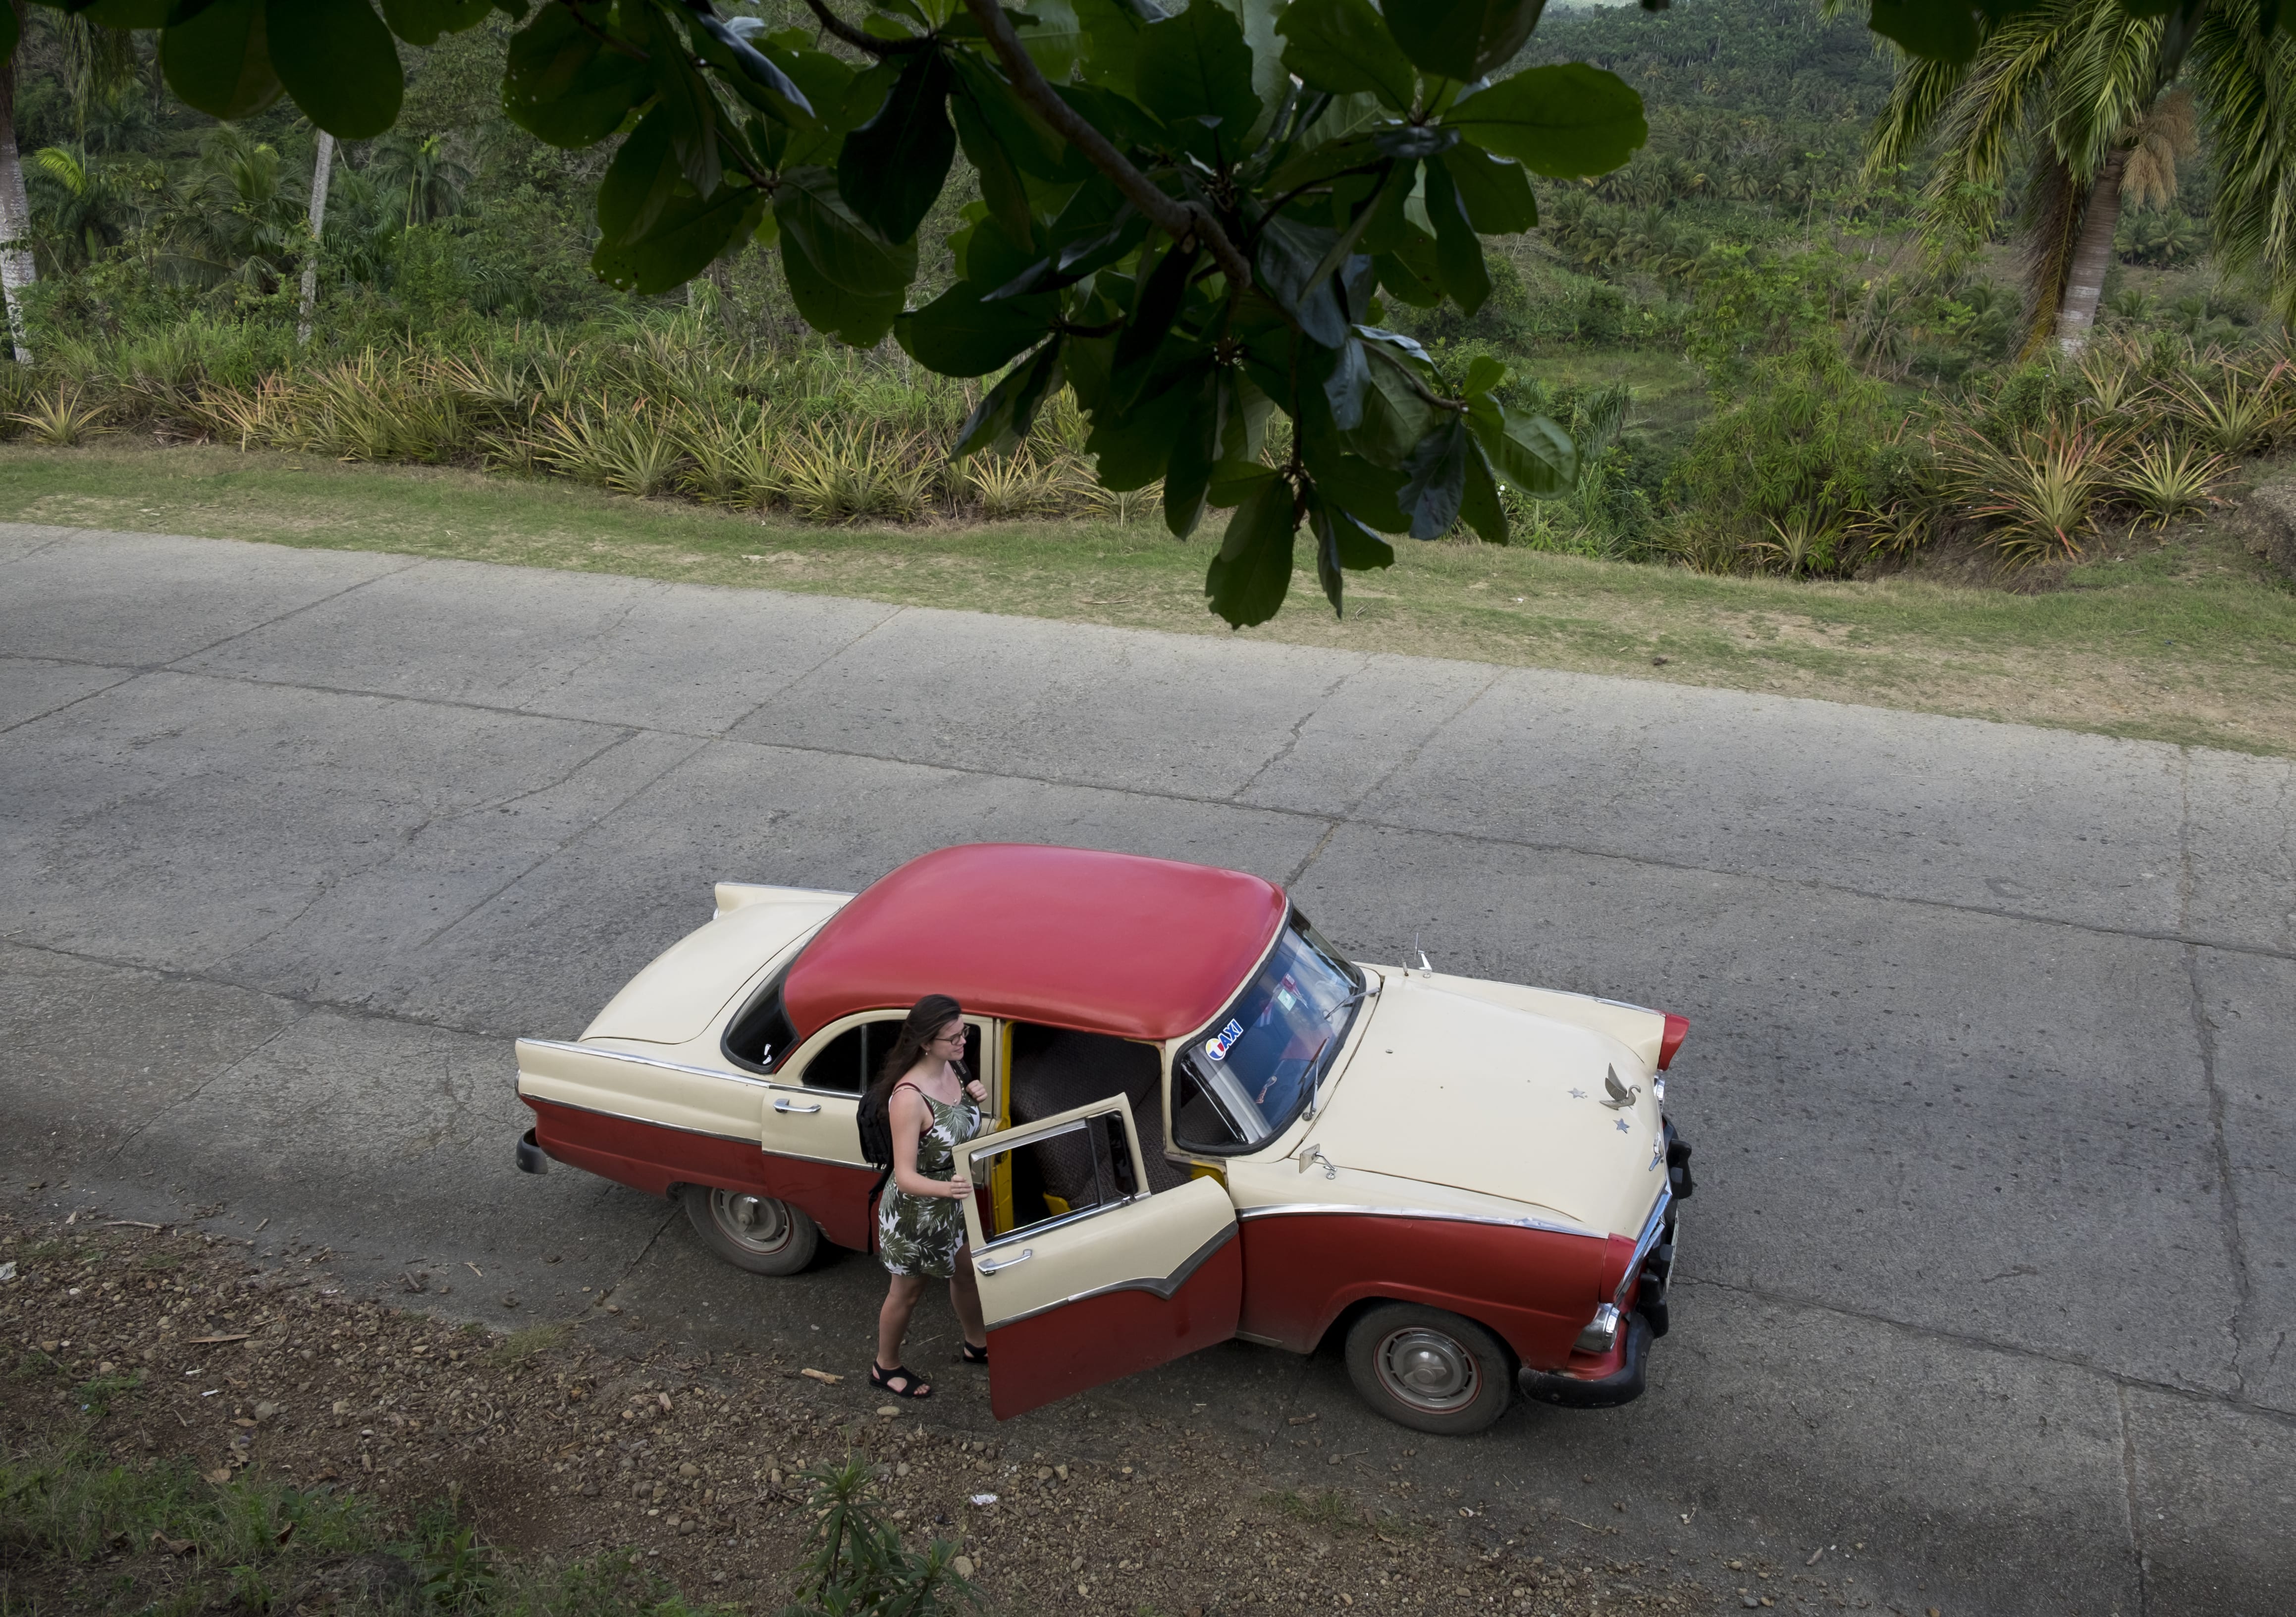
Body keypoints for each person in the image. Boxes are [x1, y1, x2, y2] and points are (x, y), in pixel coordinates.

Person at [866, 994, 990, 1399]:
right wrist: (949, 1188)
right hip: (915, 1212)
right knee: (907, 1292)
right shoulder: (908, 1098)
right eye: (952, 1037)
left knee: (966, 1270)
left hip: (950, 1201)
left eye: (963, 1033)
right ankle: (884, 1366)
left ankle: (977, 1344)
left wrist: (974, 1099)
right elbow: (904, 1178)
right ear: (924, 1043)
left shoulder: (954, 1068)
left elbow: (953, 1128)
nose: (962, 1043)